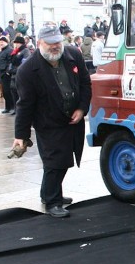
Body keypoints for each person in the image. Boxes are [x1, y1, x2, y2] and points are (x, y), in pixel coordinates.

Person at [12, 25, 91, 218]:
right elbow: (24, 105)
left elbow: (85, 82)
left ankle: (48, 193)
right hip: (48, 121)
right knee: (55, 161)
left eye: (58, 42)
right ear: (39, 43)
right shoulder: (28, 70)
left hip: (72, 117)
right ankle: (52, 202)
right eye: (50, 43)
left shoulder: (73, 54)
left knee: (61, 160)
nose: (55, 47)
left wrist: (81, 108)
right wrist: (20, 136)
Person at [7, 35, 30, 113]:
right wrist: (10, 69)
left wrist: (17, 70)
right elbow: (11, 61)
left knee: (20, 92)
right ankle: (15, 108)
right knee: (13, 90)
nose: (16, 44)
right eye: (15, 43)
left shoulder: (25, 50)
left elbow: (25, 62)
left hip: (20, 73)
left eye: (17, 43)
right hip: (13, 73)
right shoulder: (15, 51)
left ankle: (21, 108)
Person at [0, 37, 14, 113]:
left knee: (9, 91)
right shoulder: (2, 51)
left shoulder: (9, 50)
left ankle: (12, 107)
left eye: (2, 42)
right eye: (0, 42)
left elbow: (10, 62)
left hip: (6, 74)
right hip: (1, 74)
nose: (1, 43)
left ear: (6, 42)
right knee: (5, 92)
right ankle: (8, 107)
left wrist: (7, 71)